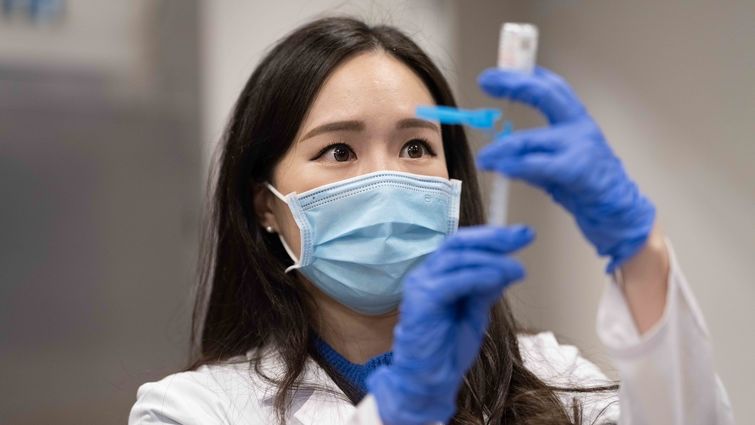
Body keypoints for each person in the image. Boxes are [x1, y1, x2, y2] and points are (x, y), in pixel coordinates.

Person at [128, 17, 733, 425]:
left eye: (416, 147)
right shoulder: (193, 411)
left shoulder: (550, 377)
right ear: (265, 204)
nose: (387, 178)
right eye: (338, 151)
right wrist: (401, 408)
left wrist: (640, 253)